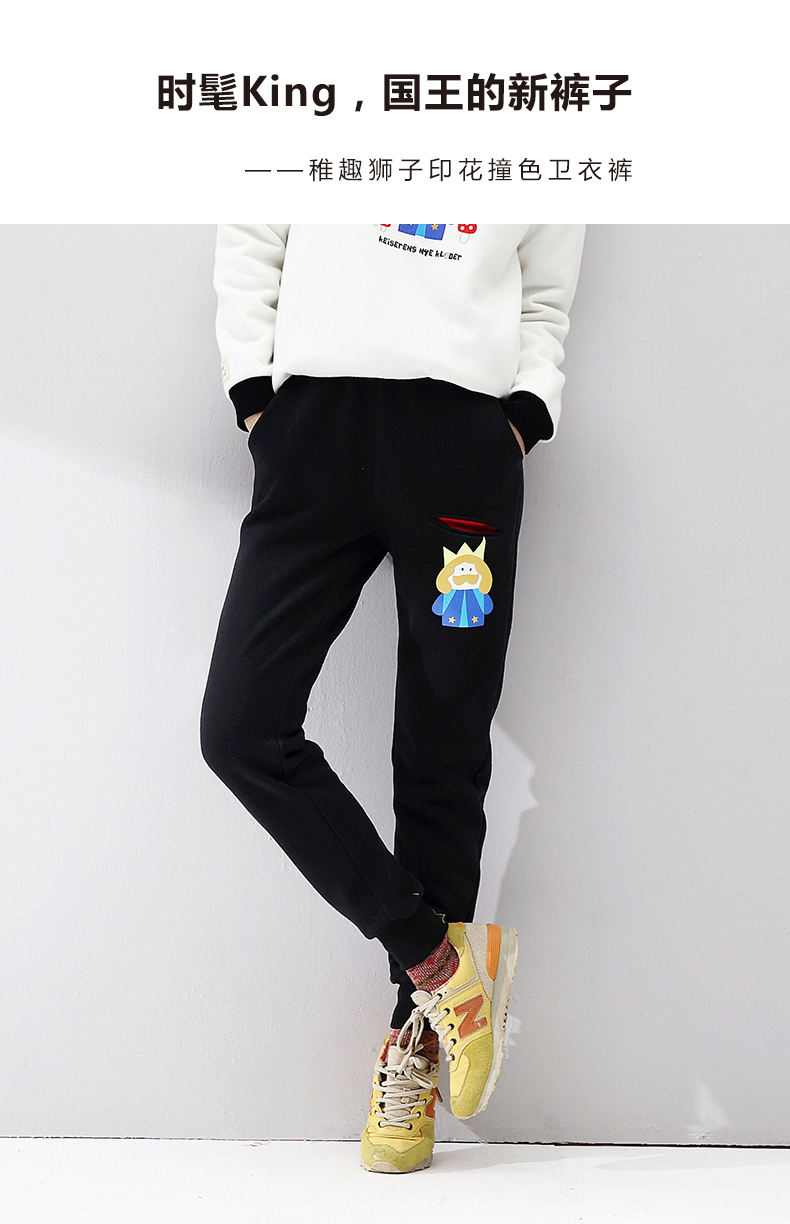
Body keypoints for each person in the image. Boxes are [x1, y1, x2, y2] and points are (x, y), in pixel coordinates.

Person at [200, 223, 585, 1173]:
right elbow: (252, 231)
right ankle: (439, 963)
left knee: (442, 747)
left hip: (462, 443)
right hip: (313, 434)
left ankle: (415, 1037)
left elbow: (545, 290)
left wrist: (524, 412)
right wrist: (255, 395)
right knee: (241, 730)